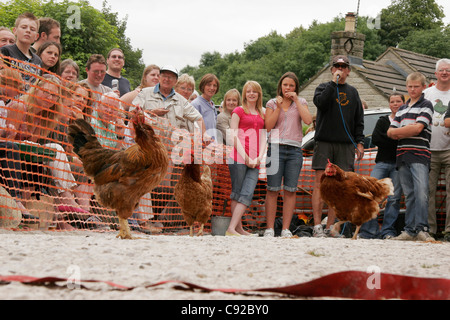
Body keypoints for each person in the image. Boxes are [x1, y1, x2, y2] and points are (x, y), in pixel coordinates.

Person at [5, 75, 88, 229]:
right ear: (36, 89)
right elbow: (8, 140)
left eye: (54, 95)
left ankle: (72, 213)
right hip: (11, 158)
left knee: (55, 157)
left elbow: (35, 144)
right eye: (46, 92)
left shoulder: (45, 116)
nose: (49, 98)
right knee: (55, 149)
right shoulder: (19, 106)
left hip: (29, 160)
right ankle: (66, 199)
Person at [311, 55, 365, 237]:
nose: (340, 69)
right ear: (332, 69)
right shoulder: (323, 88)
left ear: (349, 71)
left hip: (345, 145)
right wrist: (333, 84)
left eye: (343, 66)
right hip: (325, 142)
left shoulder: (353, 92)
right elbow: (321, 103)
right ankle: (317, 226)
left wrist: (360, 143)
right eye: (337, 66)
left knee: (339, 188)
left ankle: (331, 227)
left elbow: (359, 121)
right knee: (320, 185)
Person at [263, 72, 312, 238]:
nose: (288, 88)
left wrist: (297, 100)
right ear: (280, 86)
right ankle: (269, 228)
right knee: (272, 189)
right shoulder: (271, 103)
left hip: (294, 150)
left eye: (291, 85)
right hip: (275, 148)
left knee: (290, 190)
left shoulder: (301, 102)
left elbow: (308, 121)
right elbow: (268, 126)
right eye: (285, 85)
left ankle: (285, 228)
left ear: (295, 87)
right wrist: (278, 106)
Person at [387, 72, 434, 241]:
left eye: (416, 86)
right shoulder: (402, 108)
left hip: (420, 155)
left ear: (423, 87)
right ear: (406, 87)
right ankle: (410, 230)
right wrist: (405, 130)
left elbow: (418, 129)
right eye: (410, 86)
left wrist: (399, 131)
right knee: (409, 195)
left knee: (421, 192)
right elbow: (389, 132)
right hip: (402, 155)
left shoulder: (427, 104)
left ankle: (422, 228)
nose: (413, 89)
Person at [359, 93, 405, 239]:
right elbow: (377, 139)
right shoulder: (383, 120)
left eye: (398, 101)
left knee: (394, 198)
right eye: (392, 101)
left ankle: (388, 231)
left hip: (398, 165)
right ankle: (369, 231)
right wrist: (396, 137)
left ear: (403, 103)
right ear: (389, 104)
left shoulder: (407, 121)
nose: (395, 104)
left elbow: (405, 140)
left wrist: (390, 137)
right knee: (370, 194)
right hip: (382, 162)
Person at [226, 81, 266, 236]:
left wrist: (259, 157)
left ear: (258, 94)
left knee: (247, 193)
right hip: (238, 158)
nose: (251, 94)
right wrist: (246, 156)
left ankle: (234, 228)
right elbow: (233, 136)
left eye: (254, 91)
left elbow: (263, 137)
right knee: (237, 192)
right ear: (244, 94)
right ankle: (235, 229)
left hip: (255, 160)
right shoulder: (238, 111)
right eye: (248, 91)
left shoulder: (262, 112)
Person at [425, 58, 450, 241]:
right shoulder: (426, 93)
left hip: (449, 149)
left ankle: (449, 231)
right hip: (429, 149)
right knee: (428, 192)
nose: (444, 73)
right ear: (435, 73)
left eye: (448, 70)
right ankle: (430, 229)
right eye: (441, 70)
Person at [0, 12, 41, 85]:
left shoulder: (38, 61)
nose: (28, 31)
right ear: (15, 31)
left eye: (32, 29)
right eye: (24, 27)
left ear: (36, 36)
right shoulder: (5, 51)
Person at [191, 73, 219, 140]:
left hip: (212, 144)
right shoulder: (196, 104)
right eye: (209, 85)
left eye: (214, 85)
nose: (212, 88)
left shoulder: (212, 104)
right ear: (203, 86)